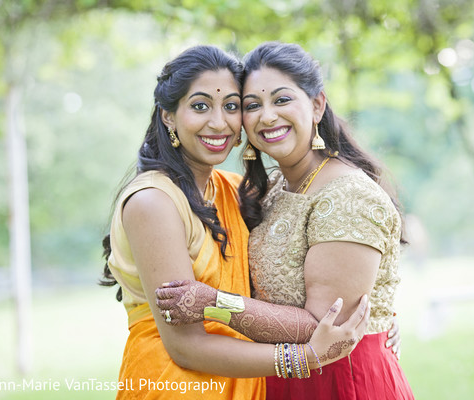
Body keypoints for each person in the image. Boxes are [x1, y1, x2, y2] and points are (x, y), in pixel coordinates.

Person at [100, 45, 370, 400]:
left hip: (243, 381)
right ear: (168, 116)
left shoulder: (229, 189)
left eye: (231, 106)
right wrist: (305, 358)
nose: (219, 122)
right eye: (200, 106)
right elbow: (186, 346)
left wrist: (375, 308)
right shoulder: (154, 202)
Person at [156, 42, 414, 399]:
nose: (267, 116)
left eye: (281, 100)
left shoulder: (348, 195)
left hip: (340, 381)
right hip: (277, 375)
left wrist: (214, 302)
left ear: (317, 105)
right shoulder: (271, 187)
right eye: (250, 106)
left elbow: (324, 327)